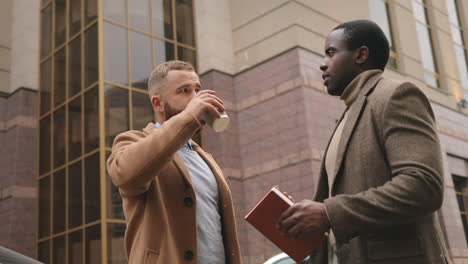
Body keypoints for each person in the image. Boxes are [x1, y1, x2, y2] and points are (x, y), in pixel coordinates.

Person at [277, 20, 451, 264]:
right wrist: (306, 216)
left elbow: (423, 186)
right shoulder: (350, 114)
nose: (322, 63)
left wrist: (329, 212)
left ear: (361, 55)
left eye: (331, 52)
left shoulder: (396, 96)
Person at [107, 60, 242, 264]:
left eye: (198, 89)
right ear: (158, 103)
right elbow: (125, 174)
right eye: (184, 91)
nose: (196, 98)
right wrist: (188, 117)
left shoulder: (205, 158)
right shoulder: (132, 141)